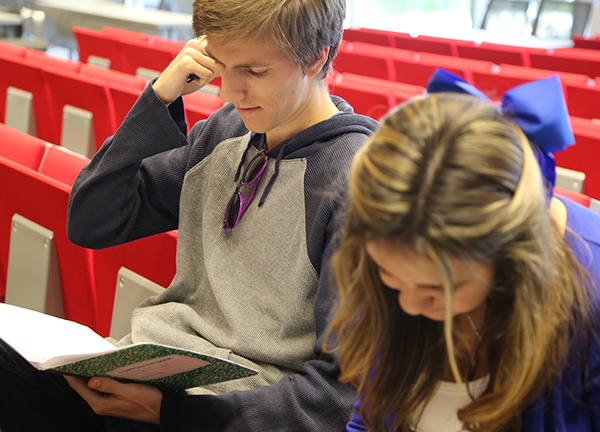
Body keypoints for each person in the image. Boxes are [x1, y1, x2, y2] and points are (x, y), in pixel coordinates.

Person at [0, 0, 379, 431]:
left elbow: (337, 393)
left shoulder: (357, 182)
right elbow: (92, 221)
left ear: (317, 57)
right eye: (221, 65)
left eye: (253, 71)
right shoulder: (226, 132)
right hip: (147, 380)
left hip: (214, 415)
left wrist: (172, 414)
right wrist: (159, 97)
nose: (227, 91)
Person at [326, 85, 600, 432]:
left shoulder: (590, 303)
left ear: (511, 257)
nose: (408, 304)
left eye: (437, 288)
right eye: (389, 274)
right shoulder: (399, 251)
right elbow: (370, 417)